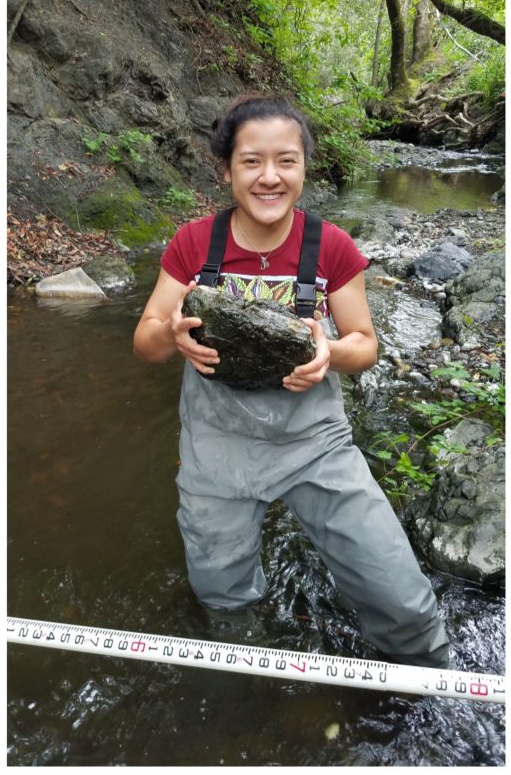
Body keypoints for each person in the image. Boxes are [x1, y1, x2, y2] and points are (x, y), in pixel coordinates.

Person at [133, 95, 450, 669]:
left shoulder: (329, 246)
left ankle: (427, 674)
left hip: (315, 444)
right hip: (215, 449)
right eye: (251, 162)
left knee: (398, 593)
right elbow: (146, 339)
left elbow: (365, 344)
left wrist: (328, 352)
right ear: (228, 170)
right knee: (223, 599)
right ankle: (249, 686)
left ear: (305, 167)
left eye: (287, 160)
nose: (270, 177)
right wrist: (173, 334)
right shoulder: (193, 245)